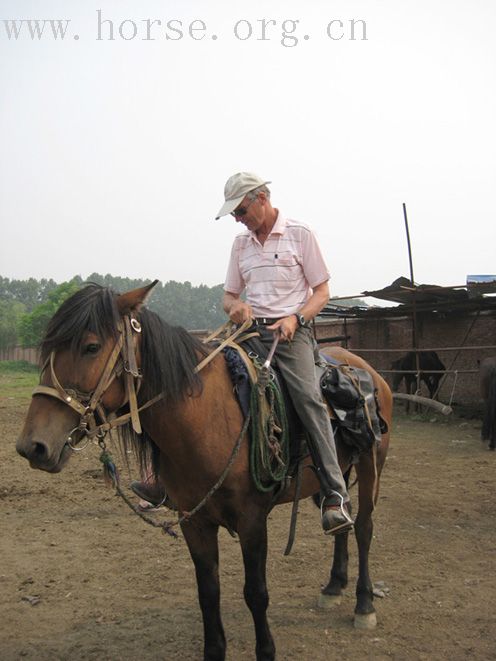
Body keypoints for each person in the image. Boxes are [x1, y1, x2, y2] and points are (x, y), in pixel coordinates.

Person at [217, 172, 353, 535]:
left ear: (262, 197)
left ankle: (335, 494)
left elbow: (322, 292)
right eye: (233, 214)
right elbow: (229, 296)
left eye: (241, 210)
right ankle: (168, 480)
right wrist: (235, 308)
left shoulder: (300, 234)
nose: (238, 218)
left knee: (308, 399)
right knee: (204, 379)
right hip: (249, 332)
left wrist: (296, 317)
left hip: (291, 335)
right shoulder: (240, 244)